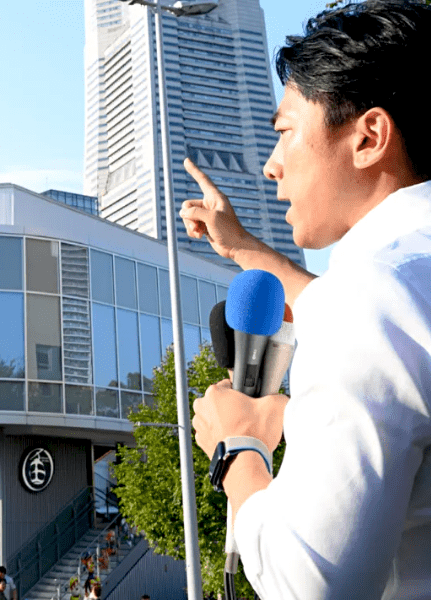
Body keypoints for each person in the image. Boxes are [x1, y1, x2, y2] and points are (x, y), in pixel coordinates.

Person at [179, 1, 431, 597]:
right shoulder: (401, 281)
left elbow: (312, 584)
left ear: (368, 137)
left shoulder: (370, 296)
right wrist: (240, 245)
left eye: (285, 132)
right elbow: (360, 316)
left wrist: (239, 448)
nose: (271, 167)